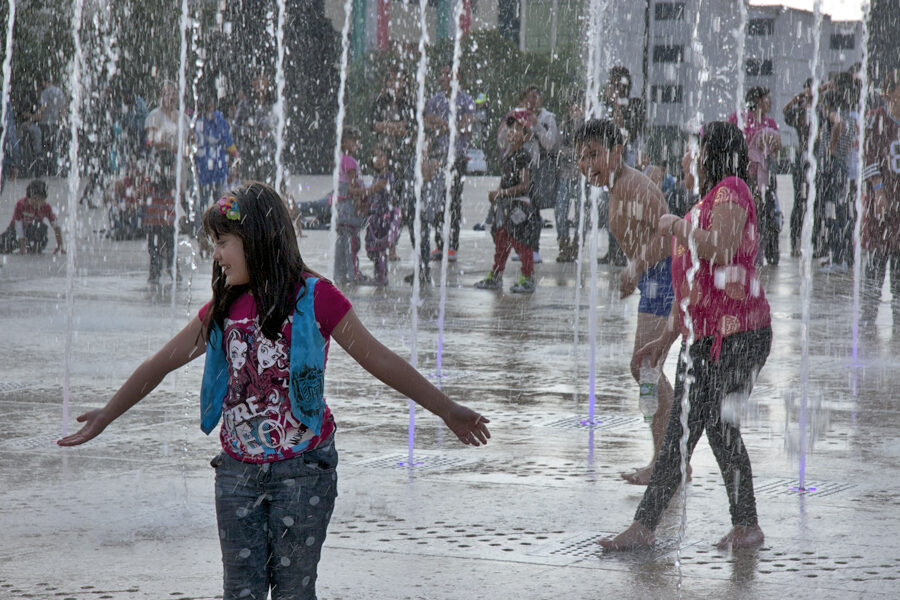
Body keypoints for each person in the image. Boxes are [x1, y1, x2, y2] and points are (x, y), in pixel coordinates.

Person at [57, 181, 490, 600]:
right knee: (239, 592)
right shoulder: (225, 308)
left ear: (256, 239)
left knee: (294, 592)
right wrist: (107, 414)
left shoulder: (316, 297)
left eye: (224, 241)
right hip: (237, 474)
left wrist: (446, 409)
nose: (217, 253)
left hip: (304, 472)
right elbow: (161, 363)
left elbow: (379, 359)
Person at [599, 121, 772, 551]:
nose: (689, 156)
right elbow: (691, 283)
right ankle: (733, 525)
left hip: (736, 334)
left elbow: (723, 248)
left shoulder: (732, 189)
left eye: (697, 149)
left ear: (714, 152)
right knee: (699, 427)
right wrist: (665, 340)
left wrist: (678, 227)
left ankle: (652, 527)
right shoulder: (707, 200)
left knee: (698, 426)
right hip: (705, 335)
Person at [574, 119, 675, 485]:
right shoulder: (620, 184)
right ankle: (669, 457)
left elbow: (669, 238)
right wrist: (634, 272)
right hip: (653, 278)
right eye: (581, 157)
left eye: (594, 154)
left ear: (617, 151)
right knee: (647, 367)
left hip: (664, 276)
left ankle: (668, 457)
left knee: (645, 366)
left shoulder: (632, 185)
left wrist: (635, 268)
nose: (587, 164)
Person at [474, 110, 537, 294]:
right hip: (505, 205)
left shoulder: (523, 156)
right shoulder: (509, 155)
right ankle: (496, 274)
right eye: (510, 127)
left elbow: (524, 185)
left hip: (519, 206)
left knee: (520, 242)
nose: (511, 131)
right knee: (502, 240)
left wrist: (502, 192)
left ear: (526, 136)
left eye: (518, 129)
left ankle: (527, 277)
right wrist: (497, 197)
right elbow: (505, 180)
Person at [424, 63, 476, 262]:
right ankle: (440, 243)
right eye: (442, 73)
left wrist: (445, 125)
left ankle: (452, 245)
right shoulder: (434, 100)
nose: (444, 77)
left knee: (453, 200)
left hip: (457, 157)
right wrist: (446, 125)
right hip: (438, 156)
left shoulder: (466, 99)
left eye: (448, 74)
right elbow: (428, 122)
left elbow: (467, 124)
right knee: (437, 200)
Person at [861, 69, 900, 328]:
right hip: (881, 207)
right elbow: (869, 156)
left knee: (898, 270)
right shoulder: (875, 119)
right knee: (875, 263)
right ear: (890, 93)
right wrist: (879, 190)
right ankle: (867, 319)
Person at [728, 87, 782, 266]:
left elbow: (777, 147)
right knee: (746, 215)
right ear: (758, 101)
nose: (770, 102)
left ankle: (762, 253)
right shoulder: (739, 119)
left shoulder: (770, 123)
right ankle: (745, 251)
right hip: (744, 177)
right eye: (767, 98)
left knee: (765, 215)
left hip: (764, 179)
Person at [370, 67, 413, 262]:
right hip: (381, 159)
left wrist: (386, 126)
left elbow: (408, 130)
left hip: (400, 161)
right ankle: (378, 241)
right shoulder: (380, 101)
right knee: (379, 202)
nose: (394, 84)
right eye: (391, 80)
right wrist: (394, 127)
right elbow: (373, 125)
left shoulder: (407, 103)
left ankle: (392, 245)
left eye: (398, 80)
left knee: (396, 205)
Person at [334, 127, 368, 285]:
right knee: (352, 241)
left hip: (341, 208)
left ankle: (340, 274)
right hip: (349, 207)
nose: (357, 143)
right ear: (344, 142)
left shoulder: (340, 159)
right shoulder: (350, 161)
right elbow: (352, 187)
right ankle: (353, 274)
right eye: (353, 140)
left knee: (342, 240)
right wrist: (363, 197)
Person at [554, 90, 585, 263]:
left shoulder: (588, 125)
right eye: (574, 107)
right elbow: (558, 148)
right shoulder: (564, 125)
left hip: (582, 176)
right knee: (560, 210)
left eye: (579, 106)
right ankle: (563, 245)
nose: (576, 111)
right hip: (565, 174)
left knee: (582, 213)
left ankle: (577, 246)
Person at [783, 78, 813, 257]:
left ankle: (819, 245)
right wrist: (799, 97)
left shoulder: (821, 108)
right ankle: (795, 244)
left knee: (817, 204)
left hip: (819, 160)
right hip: (803, 161)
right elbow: (785, 111)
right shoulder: (801, 111)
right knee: (799, 203)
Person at [363, 144, 400, 286]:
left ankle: (381, 276)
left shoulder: (386, 176)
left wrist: (360, 191)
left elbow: (377, 188)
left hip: (383, 216)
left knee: (379, 248)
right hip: (375, 215)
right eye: (375, 156)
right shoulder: (377, 176)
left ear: (388, 158)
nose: (377, 159)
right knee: (375, 248)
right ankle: (379, 274)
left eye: (381, 156)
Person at [0, 179, 65, 254]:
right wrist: (22, 243)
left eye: (41, 200)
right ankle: (17, 244)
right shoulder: (21, 205)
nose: (37, 203)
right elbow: (18, 225)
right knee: (3, 245)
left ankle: (35, 247)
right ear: (28, 197)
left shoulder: (46, 207)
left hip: (33, 230)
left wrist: (60, 245)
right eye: (34, 199)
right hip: (16, 230)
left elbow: (56, 226)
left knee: (40, 228)